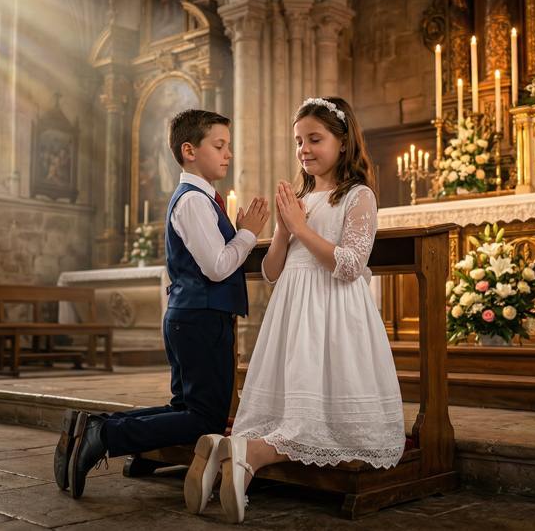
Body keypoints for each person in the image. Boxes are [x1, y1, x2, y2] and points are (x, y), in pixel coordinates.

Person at [185, 97, 406, 524]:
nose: (304, 149)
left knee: (329, 414)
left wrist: (300, 226)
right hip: (293, 309)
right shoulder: (300, 197)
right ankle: (247, 456)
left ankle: (237, 452)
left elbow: (350, 265)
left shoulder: (358, 196)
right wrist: (284, 230)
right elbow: (271, 272)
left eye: (315, 139)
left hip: (334, 311)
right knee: (304, 413)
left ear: (344, 142)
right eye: (299, 141)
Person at [55, 109, 271, 500]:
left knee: (186, 408)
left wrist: (239, 234)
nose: (228, 154)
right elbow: (217, 266)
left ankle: (92, 426)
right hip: (201, 318)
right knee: (204, 419)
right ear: (189, 150)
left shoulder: (200, 199)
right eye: (219, 145)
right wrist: (248, 234)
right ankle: (104, 434)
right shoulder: (194, 202)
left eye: (228, 146)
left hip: (192, 316)